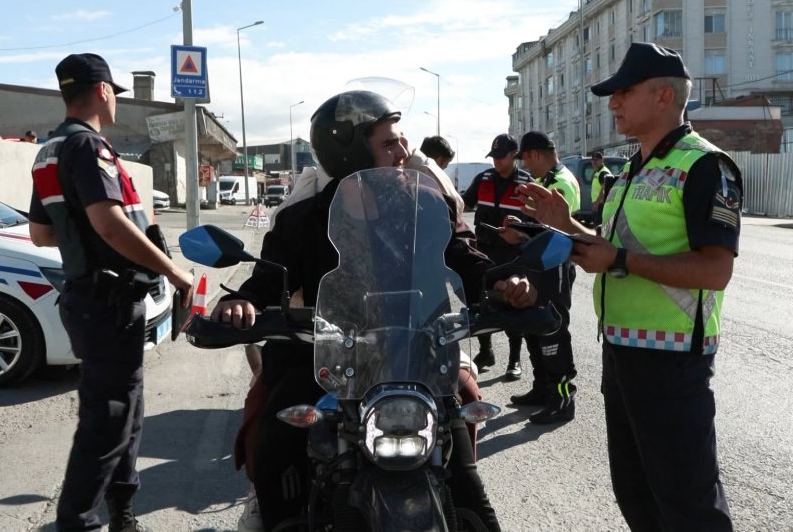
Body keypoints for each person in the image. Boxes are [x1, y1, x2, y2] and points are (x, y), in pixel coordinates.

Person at [213, 90, 536, 532]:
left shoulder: (426, 205)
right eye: (388, 143)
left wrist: (502, 282)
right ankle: (274, 516)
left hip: (413, 352)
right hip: (325, 358)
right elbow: (269, 278)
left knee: (465, 422)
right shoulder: (303, 218)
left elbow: (463, 255)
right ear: (349, 154)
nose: (404, 151)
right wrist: (241, 302)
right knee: (271, 436)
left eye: (401, 139)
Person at [517, 42, 741, 531]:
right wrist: (566, 224)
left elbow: (714, 270)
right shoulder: (632, 169)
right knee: (637, 494)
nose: (613, 103)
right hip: (621, 353)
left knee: (689, 506)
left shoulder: (706, 166)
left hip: (672, 361)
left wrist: (618, 259)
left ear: (664, 96)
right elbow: (609, 248)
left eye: (624, 92)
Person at [27, 53, 193, 532]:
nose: (115, 102)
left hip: (91, 299)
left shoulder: (50, 149)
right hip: (108, 303)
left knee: (125, 411)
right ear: (102, 91)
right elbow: (110, 224)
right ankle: (78, 522)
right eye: (114, 94)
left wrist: (84, 238)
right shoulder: (88, 146)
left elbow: (42, 233)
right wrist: (176, 274)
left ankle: (123, 513)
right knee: (108, 419)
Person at [511, 130, 581, 424]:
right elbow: (539, 228)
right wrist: (519, 230)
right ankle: (543, 388)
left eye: (525, 159)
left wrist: (524, 230)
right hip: (541, 266)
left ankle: (563, 399)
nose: (525, 165)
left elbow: (557, 230)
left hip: (556, 267)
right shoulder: (545, 181)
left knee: (555, 331)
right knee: (536, 327)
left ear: (534, 154)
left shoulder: (560, 183)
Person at [461, 133, 532, 379]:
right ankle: (486, 351)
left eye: (501, 156)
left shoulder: (526, 183)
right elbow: (463, 204)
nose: (496, 161)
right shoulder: (483, 179)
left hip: (513, 255)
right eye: (494, 156)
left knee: (513, 305)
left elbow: (535, 223)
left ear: (514, 155)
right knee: (481, 304)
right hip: (484, 252)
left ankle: (514, 359)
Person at [589, 150, 611, 225]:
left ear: (602, 160)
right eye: (593, 160)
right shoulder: (597, 171)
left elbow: (604, 189)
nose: (594, 162)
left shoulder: (603, 172)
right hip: (598, 205)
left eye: (597, 160)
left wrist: (597, 203)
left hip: (601, 206)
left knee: (598, 227)